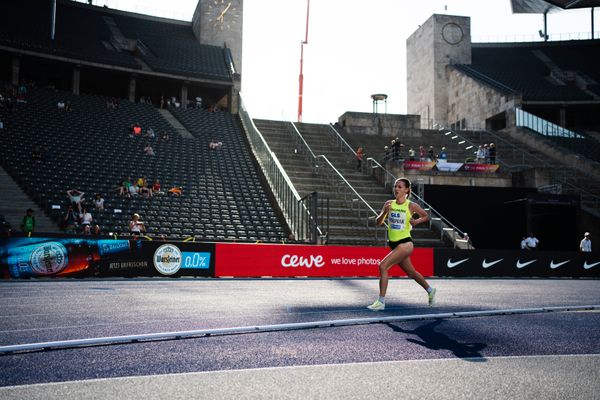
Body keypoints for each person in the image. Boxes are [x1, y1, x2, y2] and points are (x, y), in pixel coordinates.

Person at [367, 178, 436, 311]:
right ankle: (430, 290)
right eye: (395, 186)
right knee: (411, 272)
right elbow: (378, 222)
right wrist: (384, 212)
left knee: (382, 266)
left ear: (406, 190)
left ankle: (381, 301)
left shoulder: (411, 205)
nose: (396, 189)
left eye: (399, 187)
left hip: (405, 243)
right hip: (393, 244)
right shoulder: (388, 203)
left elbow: (426, 215)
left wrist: (416, 222)